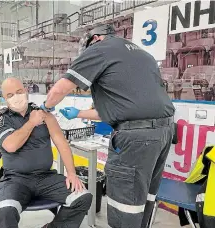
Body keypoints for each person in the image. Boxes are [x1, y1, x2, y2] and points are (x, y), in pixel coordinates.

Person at [40, 24, 175, 228]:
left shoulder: (99, 49)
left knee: (125, 205)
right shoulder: (141, 54)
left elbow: (59, 90)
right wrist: (79, 113)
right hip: (163, 133)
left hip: (136, 139)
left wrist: (44, 107)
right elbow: (123, 109)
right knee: (144, 198)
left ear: (95, 39)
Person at [0, 78, 92, 228]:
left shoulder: (44, 115)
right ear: (5, 99)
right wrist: (32, 122)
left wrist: (71, 173)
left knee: (82, 197)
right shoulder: (1, 118)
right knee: (5, 211)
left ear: (25, 91)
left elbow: (62, 143)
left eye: (19, 92)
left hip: (46, 177)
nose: (16, 97)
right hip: (15, 179)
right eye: (10, 95)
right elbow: (11, 146)